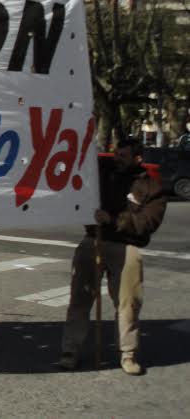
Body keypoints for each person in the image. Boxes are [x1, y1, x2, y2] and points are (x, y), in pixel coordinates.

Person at [59, 138, 167, 375]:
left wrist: (115, 220)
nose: (117, 159)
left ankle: (128, 354)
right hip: (93, 241)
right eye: (116, 154)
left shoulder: (151, 188)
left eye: (123, 156)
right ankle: (70, 351)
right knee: (80, 299)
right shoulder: (100, 175)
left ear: (137, 158)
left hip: (125, 246)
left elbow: (147, 222)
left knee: (128, 303)